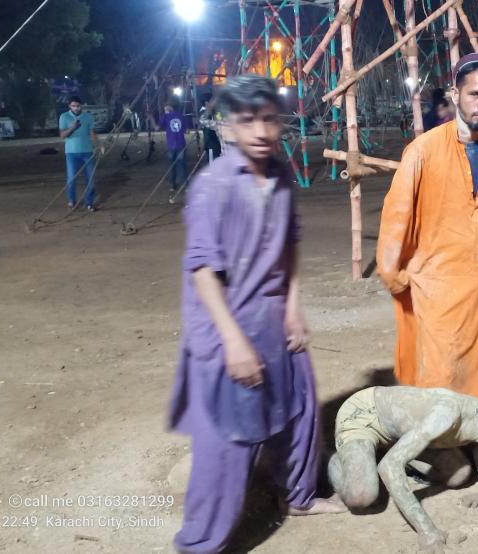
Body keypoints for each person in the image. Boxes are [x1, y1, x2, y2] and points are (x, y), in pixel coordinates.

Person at [168, 74, 344, 554]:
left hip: (271, 312)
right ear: (227, 127)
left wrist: (292, 306)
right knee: (228, 438)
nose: (261, 131)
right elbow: (204, 272)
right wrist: (234, 343)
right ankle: (201, 542)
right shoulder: (214, 186)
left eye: (269, 119)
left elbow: (290, 243)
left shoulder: (282, 172)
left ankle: (299, 497)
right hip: (226, 322)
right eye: (248, 121)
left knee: (300, 407)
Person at [376, 52, 478, 397]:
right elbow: (396, 215)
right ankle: (442, 450)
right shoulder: (423, 150)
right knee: (440, 386)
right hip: (439, 291)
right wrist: (392, 272)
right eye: (474, 94)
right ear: (455, 94)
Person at [329, 378, 478, 553]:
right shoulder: (447, 414)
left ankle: (391, 448)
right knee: (362, 495)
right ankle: (334, 459)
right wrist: (426, 530)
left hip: (399, 430)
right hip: (363, 415)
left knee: (459, 474)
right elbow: (389, 466)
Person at [58, 96, 101, 211]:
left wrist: (98, 145)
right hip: (71, 153)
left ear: (81, 105)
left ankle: (89, 203)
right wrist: (72, 128)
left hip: (87, 152)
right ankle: (72, 201)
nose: (76, 108)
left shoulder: (88, 117)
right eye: (73, 106)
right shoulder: (64, 117)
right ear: (69, 106)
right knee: (71, 179)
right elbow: (62, 135)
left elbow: (92, 133)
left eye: (78, 106)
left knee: (90, 179)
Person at [160, 103, 189, 193]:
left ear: (170, 107)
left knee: (172, 166)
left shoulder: (166, 116)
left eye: (165, 108)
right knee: (182, 165)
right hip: (181, 144)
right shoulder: (181, 116)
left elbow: (157, 127)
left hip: (171, 145)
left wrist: (151, 118)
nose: (165, 110)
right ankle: (186, 185)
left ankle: (172, 185)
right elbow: (187, 131)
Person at [199, 95, 222, 163]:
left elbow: (220, 120)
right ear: (206, 103)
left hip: (217, 144)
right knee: (213, 164)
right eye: (211, 101)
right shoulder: (203, 111)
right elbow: (203, 120)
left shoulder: (215, 111)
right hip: (211, 144)